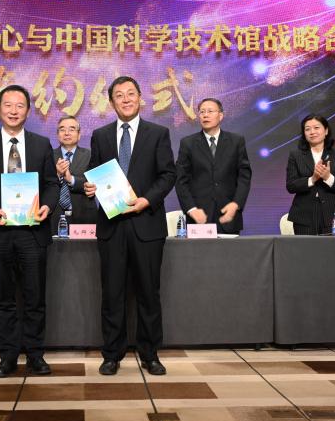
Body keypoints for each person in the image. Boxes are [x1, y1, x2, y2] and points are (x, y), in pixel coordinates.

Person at [0, 84, 59, 377]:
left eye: (20, 106)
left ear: (28, 111)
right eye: (8, 105)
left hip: (32, 232)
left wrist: (48, 206)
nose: (13, 111)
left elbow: (52, 184)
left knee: (34, 298)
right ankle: (7, 357)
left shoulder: (41, 144)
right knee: (4, 299)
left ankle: (35, 355)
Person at [84, 76, 176, 376]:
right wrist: (90, 187)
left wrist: (146, 200)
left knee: (149, 293)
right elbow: (94, 173)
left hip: (146, 224)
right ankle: (112, 354)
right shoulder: (100, 135)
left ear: (140, 98)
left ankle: (150, 354)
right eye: (119, 95)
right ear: (111, 102)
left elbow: (167, 175)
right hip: (111, 226)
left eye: (131, 94)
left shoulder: (158, 133)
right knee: (112, 294)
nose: (125, 99)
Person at [175, 98, 252, 234]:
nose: (205, 115)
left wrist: (236, 204)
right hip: (199, 217)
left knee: (230, 249)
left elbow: (244, 177)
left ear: (220, 115)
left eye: (210, 111)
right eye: (202, 112)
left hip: (228, 215)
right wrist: (191, 209)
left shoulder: (236, 141)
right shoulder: (188, 143)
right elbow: (180, 180)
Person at [285, 114, 335, 235]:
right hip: (304, 216)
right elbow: (291, 186)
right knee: (306, 248)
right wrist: (312, 179)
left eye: (316, 127)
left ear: (326, 131)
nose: (312, 132)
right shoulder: (296, 155)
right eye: (307, 129)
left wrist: (328, 177)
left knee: (333, 247)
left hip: (332, 214)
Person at [50, 115, 97, 233]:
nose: (67, 133)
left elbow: (95, 182)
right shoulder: (48, 156)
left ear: (79, 134)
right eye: (62, 129)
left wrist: (71, 179)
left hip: (84, 215)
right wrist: (57, 174)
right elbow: (42, 184)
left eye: (71, 129)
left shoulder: (91, 155)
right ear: (57, 135)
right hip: (54, 215)